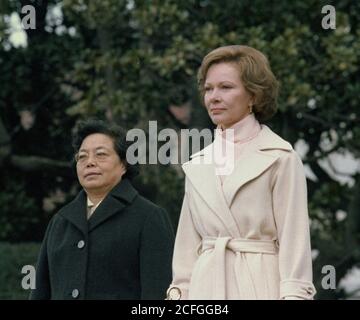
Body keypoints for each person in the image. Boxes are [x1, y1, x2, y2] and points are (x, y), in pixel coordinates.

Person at [166, 45, 316, 300]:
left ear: (254, 95)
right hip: (204, 291)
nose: (213, 97)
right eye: (208, 89)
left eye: (225, 87)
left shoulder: (280, 157)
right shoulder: (197, 163)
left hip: (261, 286)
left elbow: (295, 245)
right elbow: (185, 256)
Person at [30, 119, 174, 300]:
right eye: (82, 157)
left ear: (124, 164)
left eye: (100, 154)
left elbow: (157, 294)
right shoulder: (60, 221)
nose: (89, 162)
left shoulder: (149, 217)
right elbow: (40, 292)